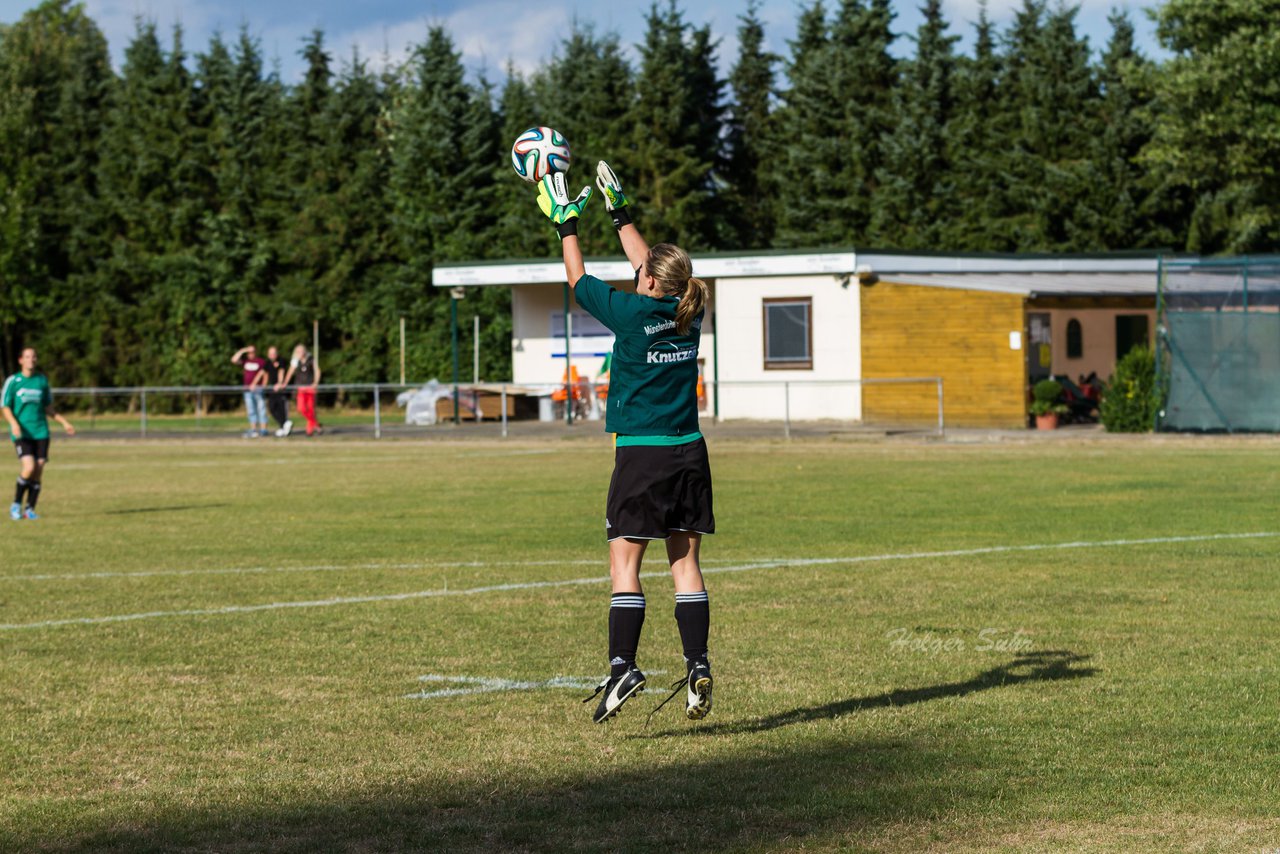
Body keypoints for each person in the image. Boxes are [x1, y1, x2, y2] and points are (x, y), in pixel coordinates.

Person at [538, 162, 715, 724]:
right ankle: (697, 664)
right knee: (684, 566)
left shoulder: (633, 313)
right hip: (690, 450)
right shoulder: (691, 310)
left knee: (624, 566)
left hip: (642, 455)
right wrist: (621, 215)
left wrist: (567, 224)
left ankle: (623, 667)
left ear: (650, 283)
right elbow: (652, 266)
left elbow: (577, 279)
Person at [2, 347, 75, 521]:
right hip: (22, 433)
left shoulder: (41, 381)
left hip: (41, 432)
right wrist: (13, 424)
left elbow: (48, 407)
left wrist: (64, 422)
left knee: (38, 470)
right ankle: (16, 505)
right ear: (20, 360)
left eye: (34, 356)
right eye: (27, 357)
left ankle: (30, 510)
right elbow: (4, 406)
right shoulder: (13, 381)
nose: (31, 359)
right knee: (29, 468)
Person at [280, 344, 322, 437]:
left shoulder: (311, 359)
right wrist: (285, 383)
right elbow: (290, 372)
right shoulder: (295, 361)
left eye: (301, 351)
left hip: (310, 388)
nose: (300, 353)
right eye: (298, 351)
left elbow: (317, 370)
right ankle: (316, 424)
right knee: (301, 408)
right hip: (300, 388)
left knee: (311, 409)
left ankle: (309, 430)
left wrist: (315, 382)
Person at [231, 345, 269, 438]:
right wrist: (243, 350)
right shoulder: (245, 361)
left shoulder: (261, 361)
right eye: (249, 352)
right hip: (247, 390)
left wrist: (263, 386)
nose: (251, 354)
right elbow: (233, 360)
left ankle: (263, 429)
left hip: (258, 389)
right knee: (251, 410)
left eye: (252, 352)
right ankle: (253, 429)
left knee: (261, 409)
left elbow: (265, 374)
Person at [262, 346, 292, 437]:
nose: (272, 355)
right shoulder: (267, 363)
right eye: (270, 354)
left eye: (274, 353)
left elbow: (281, 372)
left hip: (280, 389)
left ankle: (283, 426)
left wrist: (279, 383)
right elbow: (265, 375)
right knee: (271, 408)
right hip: (271, 390)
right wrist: (263, 385)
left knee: (281, 409)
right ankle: (284, 424)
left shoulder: (281, 361)